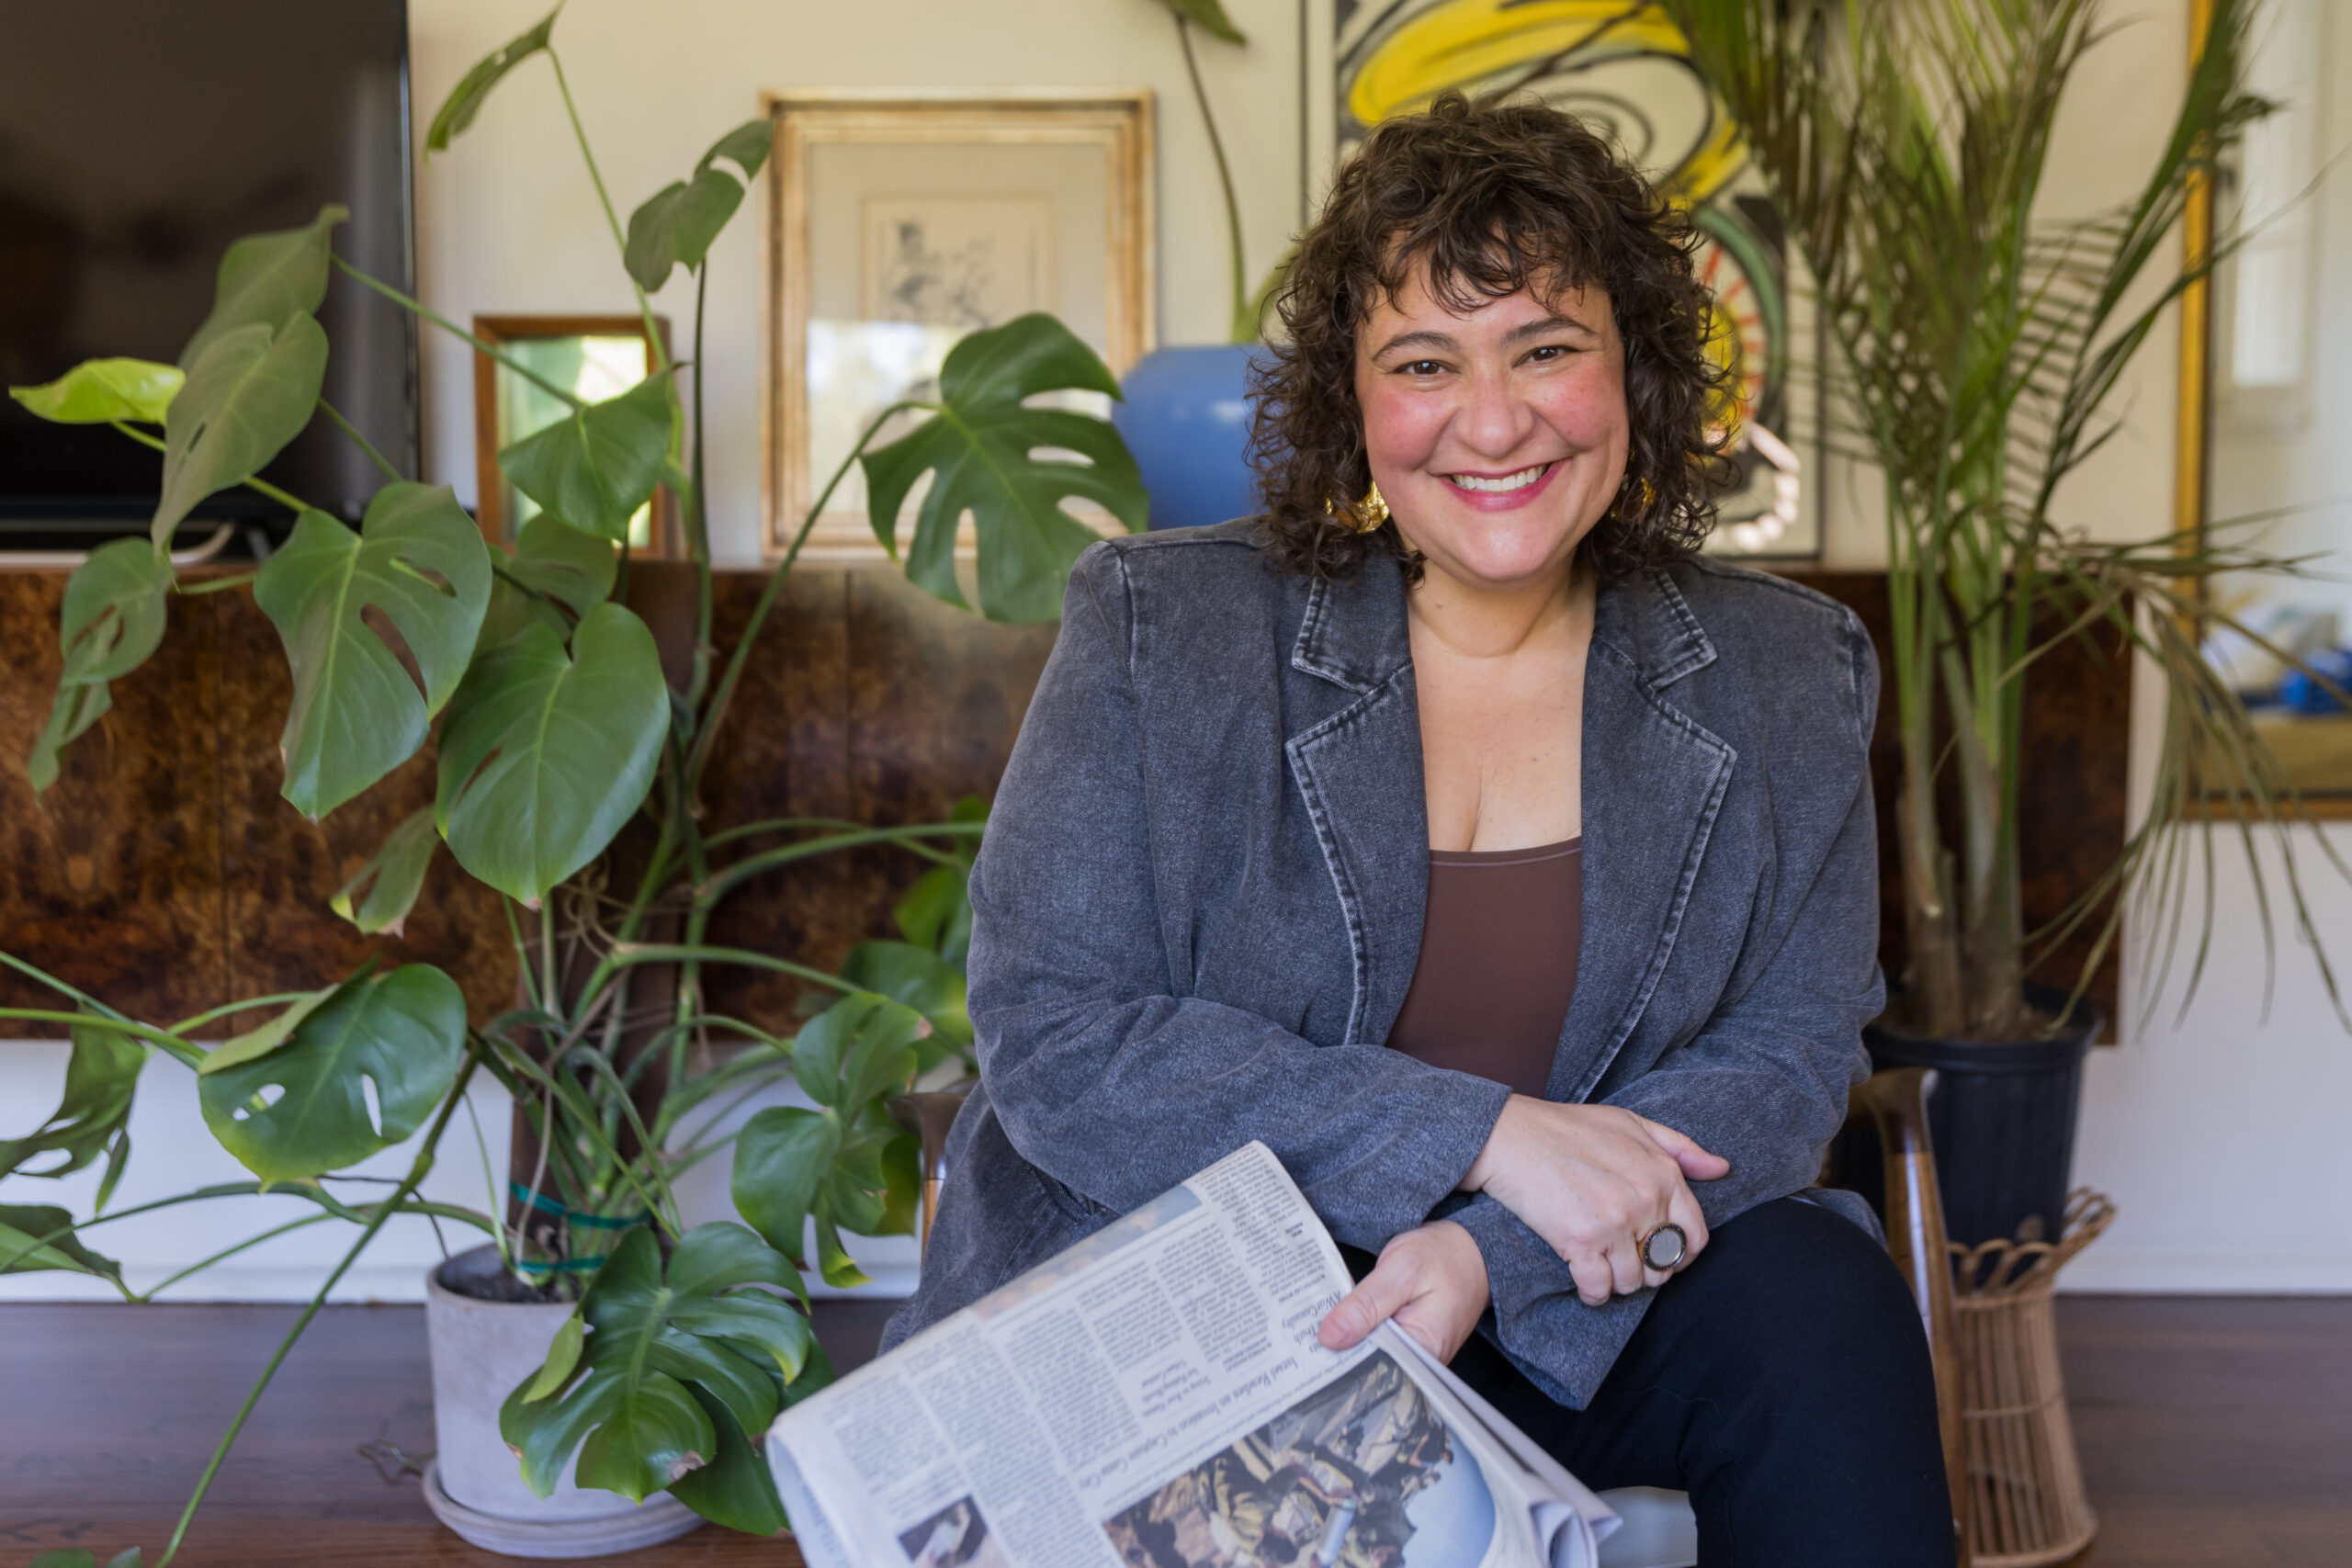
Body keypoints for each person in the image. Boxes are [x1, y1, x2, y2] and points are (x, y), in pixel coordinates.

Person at [883, 92, 1954, 1564]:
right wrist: (1486, 1138)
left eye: (1547, 348)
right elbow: (1059, 1030)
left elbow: (1785, 1060)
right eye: (1425, 362)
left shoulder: (1788, 672)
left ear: (1633, 374)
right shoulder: (1161, 627)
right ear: (1353, 404)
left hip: (1582, 1295)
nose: (1495, 419)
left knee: (1821, 1308)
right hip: (1227, 1303)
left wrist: (1483, 1248)